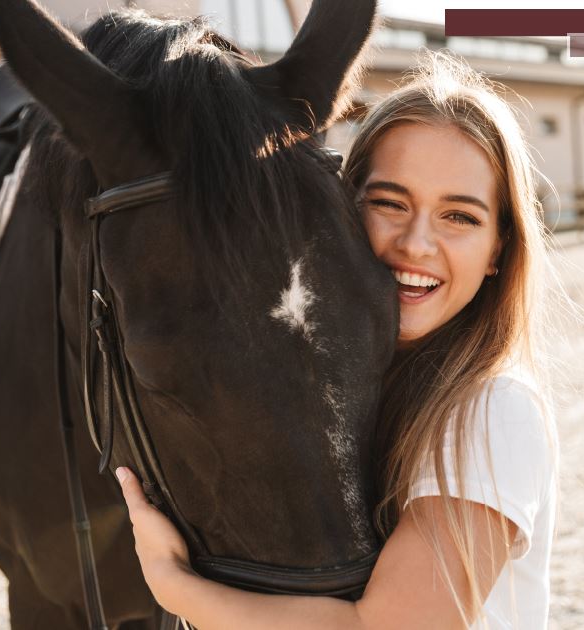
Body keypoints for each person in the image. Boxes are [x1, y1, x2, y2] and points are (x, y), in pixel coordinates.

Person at [116, 52, 560, 630]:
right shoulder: (324, 393)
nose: (417, 244)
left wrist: (174, 585)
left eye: (460, 217)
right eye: (389, 203)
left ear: (499, 248)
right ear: (341, 211)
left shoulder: (490, 410)